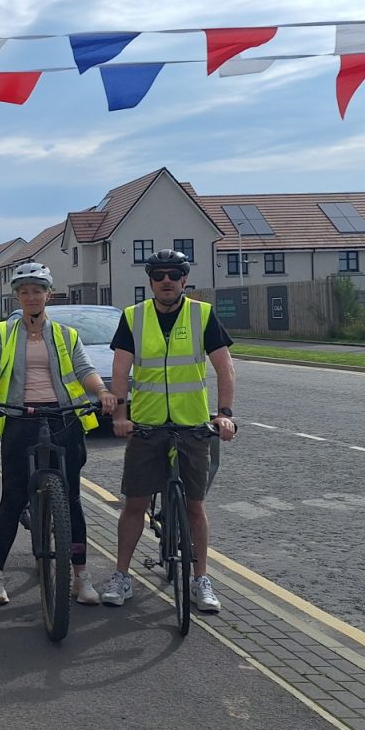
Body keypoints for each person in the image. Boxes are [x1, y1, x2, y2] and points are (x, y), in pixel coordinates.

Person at [0, 262, 116, 606]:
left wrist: (102, 392)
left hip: (63, 416)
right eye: (25, 292)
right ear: (17, 297)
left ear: (48, 295)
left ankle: (81, 577)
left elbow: (84, 369)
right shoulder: (4, 332)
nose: (31, 297)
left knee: (72, 499)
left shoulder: (66, 335)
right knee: (13, 497)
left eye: (37, 291)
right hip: (20, 416)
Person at [105, 249, 236, 613]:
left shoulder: (202, 314)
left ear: (184, 280)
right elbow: (120, 372)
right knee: (135, 503)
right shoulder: (133, 317)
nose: (166, 281)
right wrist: (121, 415)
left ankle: (200, 579)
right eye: (159, 275)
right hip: (147, 425)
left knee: (195, 506)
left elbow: (224, 368)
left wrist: (225, 414)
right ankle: (121, 575)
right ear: (150, 282)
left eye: (173, 275)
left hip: (191, 423)